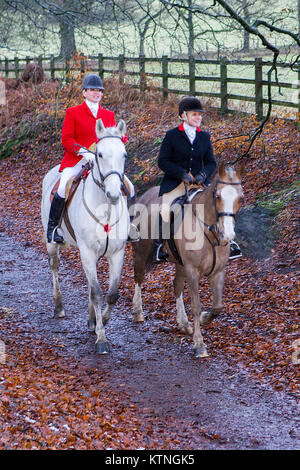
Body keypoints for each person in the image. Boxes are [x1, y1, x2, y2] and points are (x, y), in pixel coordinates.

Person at [47, 73, 135, 244]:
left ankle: (130, 226)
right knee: (63, 186)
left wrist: (120, 139)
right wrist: (82, 151)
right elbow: (66, 139)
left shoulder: (108, 114)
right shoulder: (73, 112)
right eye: (92, 90)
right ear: (84, 92)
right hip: (78, 159)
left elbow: (114, 136)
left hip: (103, 162)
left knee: (129, 187)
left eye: (99, 90)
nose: (96, 93)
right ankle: (53, 229)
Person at [154, 95, 242, 262]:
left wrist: (203, 174)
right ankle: (160, 245)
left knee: (221, 203)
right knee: (167, 208)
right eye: (194, 114)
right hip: (176, 183)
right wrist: (181, 173)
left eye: (200, 114)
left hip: (200, 183)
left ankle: (230, 242)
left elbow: (211, 162)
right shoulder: (171, 136)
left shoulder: (204, 137)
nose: (198, 117)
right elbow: (163, 161)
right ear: (183, 116)